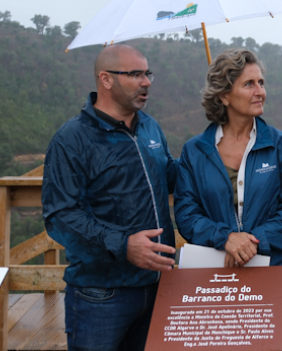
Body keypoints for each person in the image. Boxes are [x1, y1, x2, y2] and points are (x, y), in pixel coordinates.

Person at [42, 45, 177, 351]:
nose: (146, 82)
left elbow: (169, 177)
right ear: (105, 79)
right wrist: (124, 244)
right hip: (101, 295)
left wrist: (214, 151)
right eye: (135, 74)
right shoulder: (72, 139)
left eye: (147, 73)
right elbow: (60, 216)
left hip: (158, 287)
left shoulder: (150, 127)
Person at [174, 48, 282, 311]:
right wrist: (225, 238)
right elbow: (186, 215)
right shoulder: (195, 150)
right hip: (211, 281)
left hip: (270, 275)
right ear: (224, 95)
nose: (260, 91)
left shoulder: (279, 146)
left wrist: (249, 243)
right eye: (249, 84)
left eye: (261, 83)